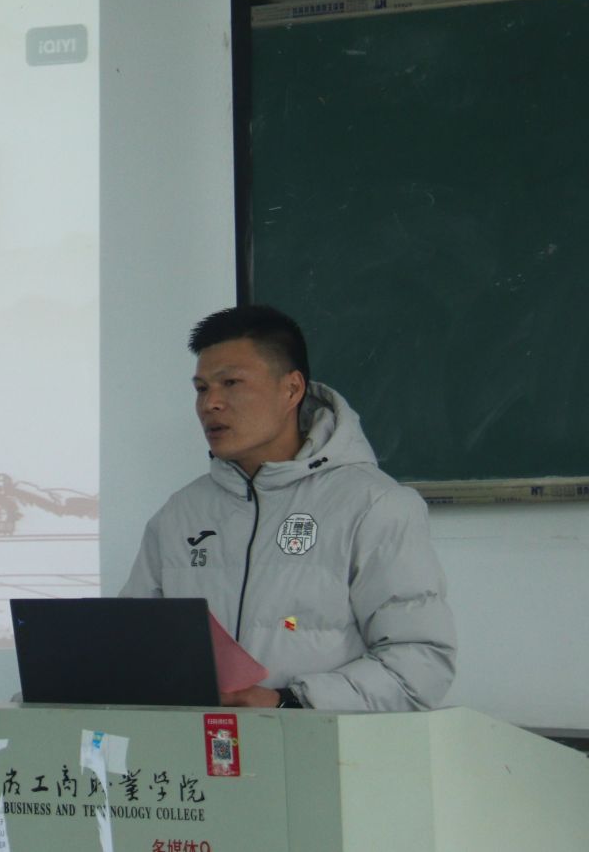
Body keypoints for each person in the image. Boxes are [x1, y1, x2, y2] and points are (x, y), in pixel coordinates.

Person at [120, 305, 457, 712]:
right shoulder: (179, 514)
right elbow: (131, 647)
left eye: (231, 383)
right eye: (202, 388)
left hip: (320, 746)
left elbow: (420, 665)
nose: (211, 403)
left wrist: (290, 702)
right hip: (198, 747)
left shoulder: (373, 505)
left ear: (292, 390)